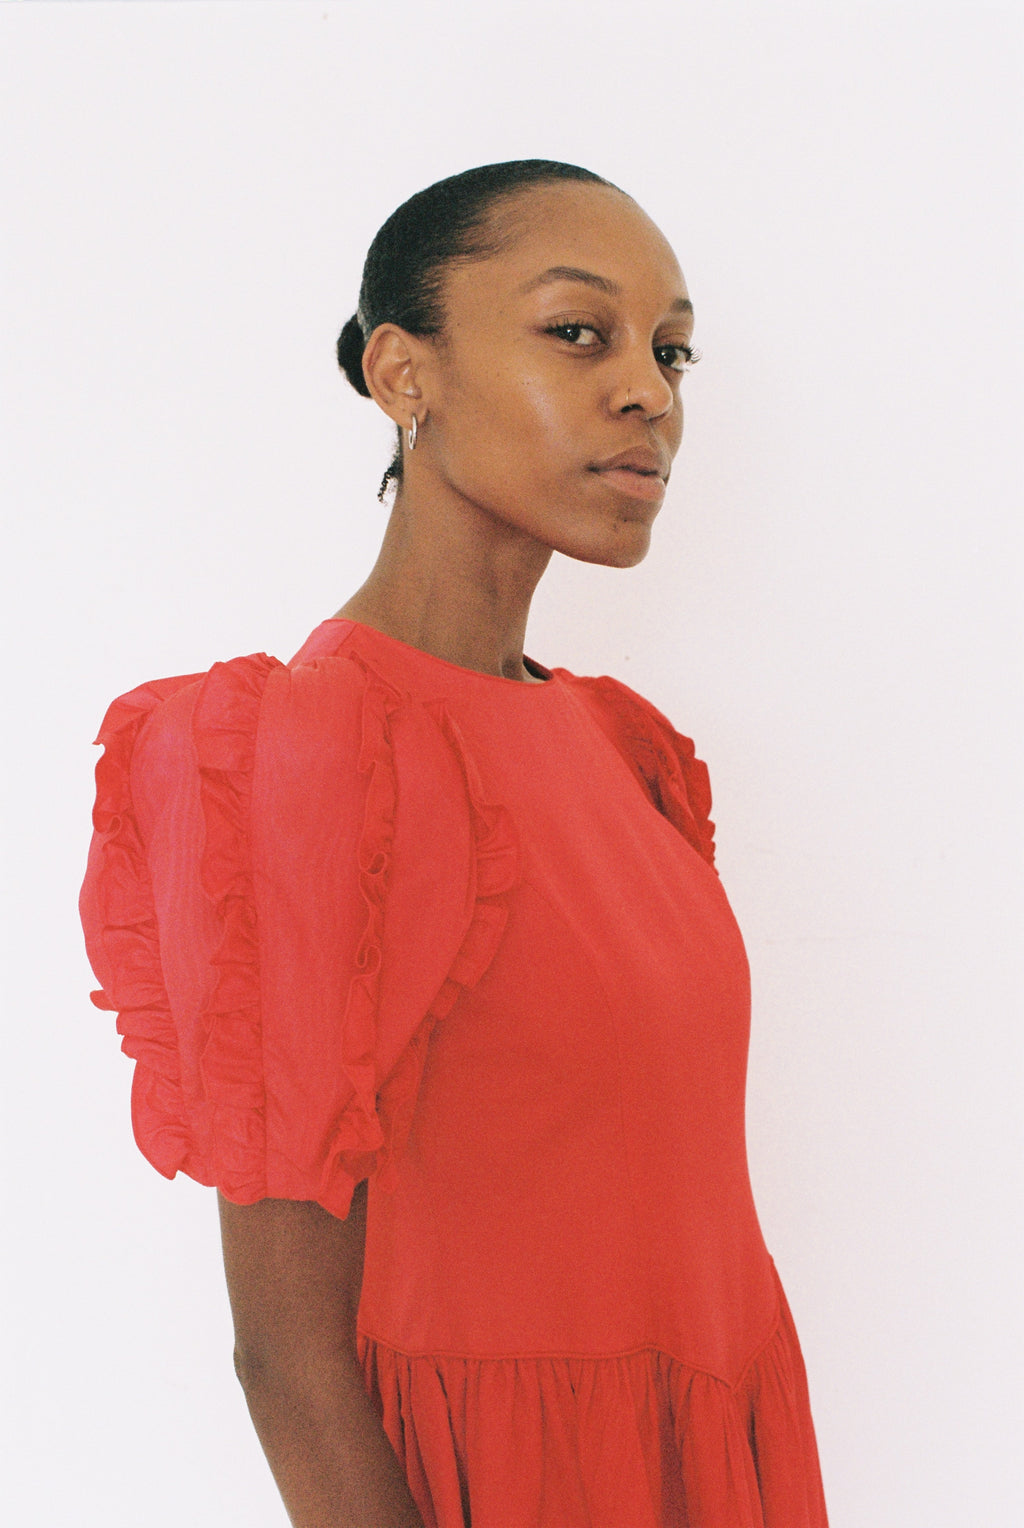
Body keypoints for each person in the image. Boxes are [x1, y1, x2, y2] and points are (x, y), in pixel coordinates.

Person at [79, 160, 829, 1528]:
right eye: (577, 331)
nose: (649, 392)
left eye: (672, 350)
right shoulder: (290, 755)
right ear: (401, 371)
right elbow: (288, 1356)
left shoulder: (628, 754)